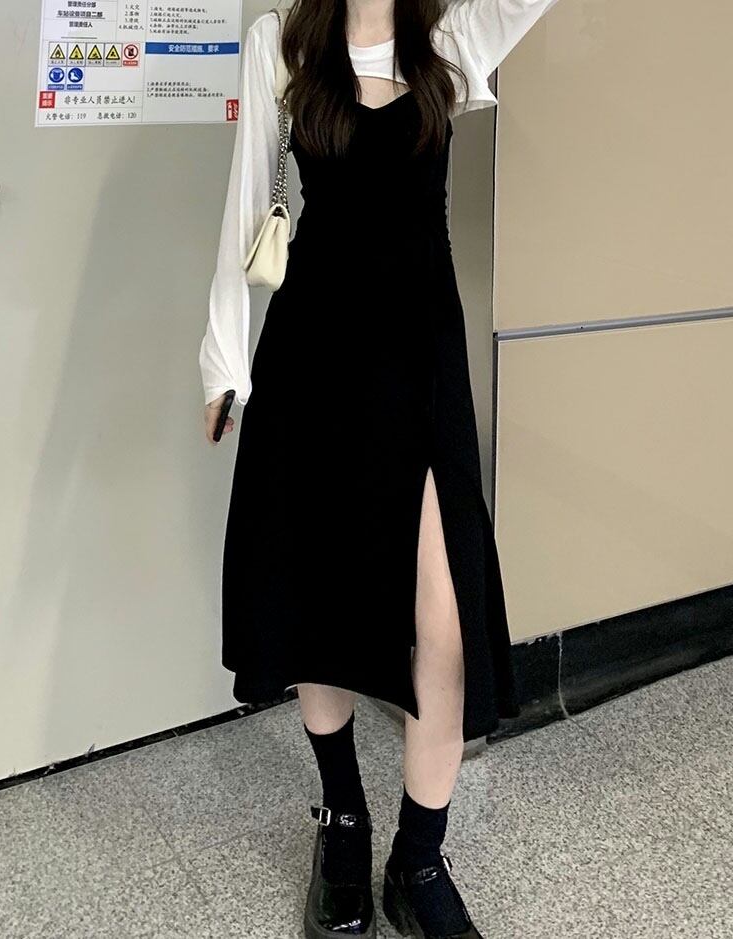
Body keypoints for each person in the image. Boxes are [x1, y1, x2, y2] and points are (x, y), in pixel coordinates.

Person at [199, 0, 560, 936]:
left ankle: (419, 856)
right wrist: (224, 361)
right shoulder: (281, 40)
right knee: (314, 599)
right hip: (313, 357)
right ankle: (344, 820)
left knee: (443, 627)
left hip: (420, 363)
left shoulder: (451, 38)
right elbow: (247, 199)